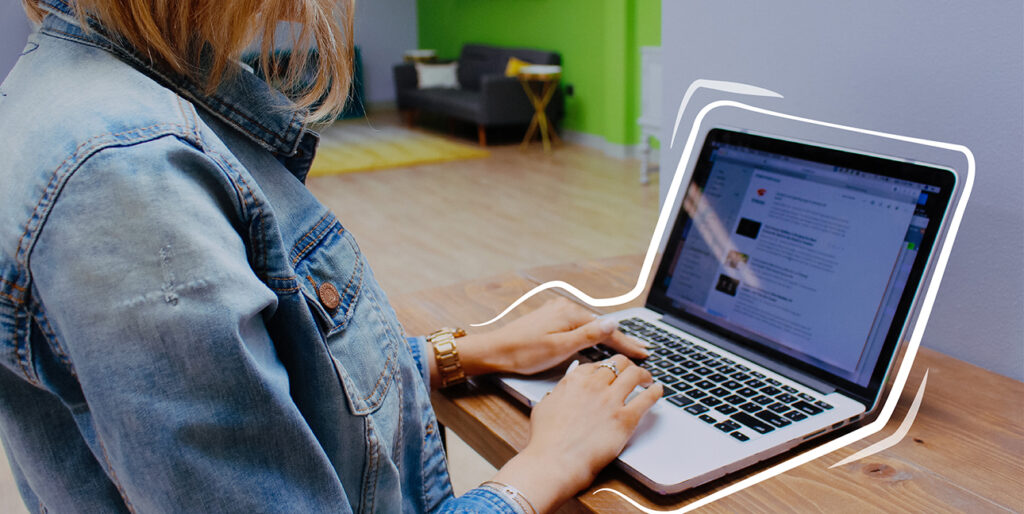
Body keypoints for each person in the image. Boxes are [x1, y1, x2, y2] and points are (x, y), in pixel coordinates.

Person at [0, 1, 662, 512]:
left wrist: (462, 353)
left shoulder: (78, 98)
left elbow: (283, 383)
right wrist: (544, 466)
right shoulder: (127, 181)